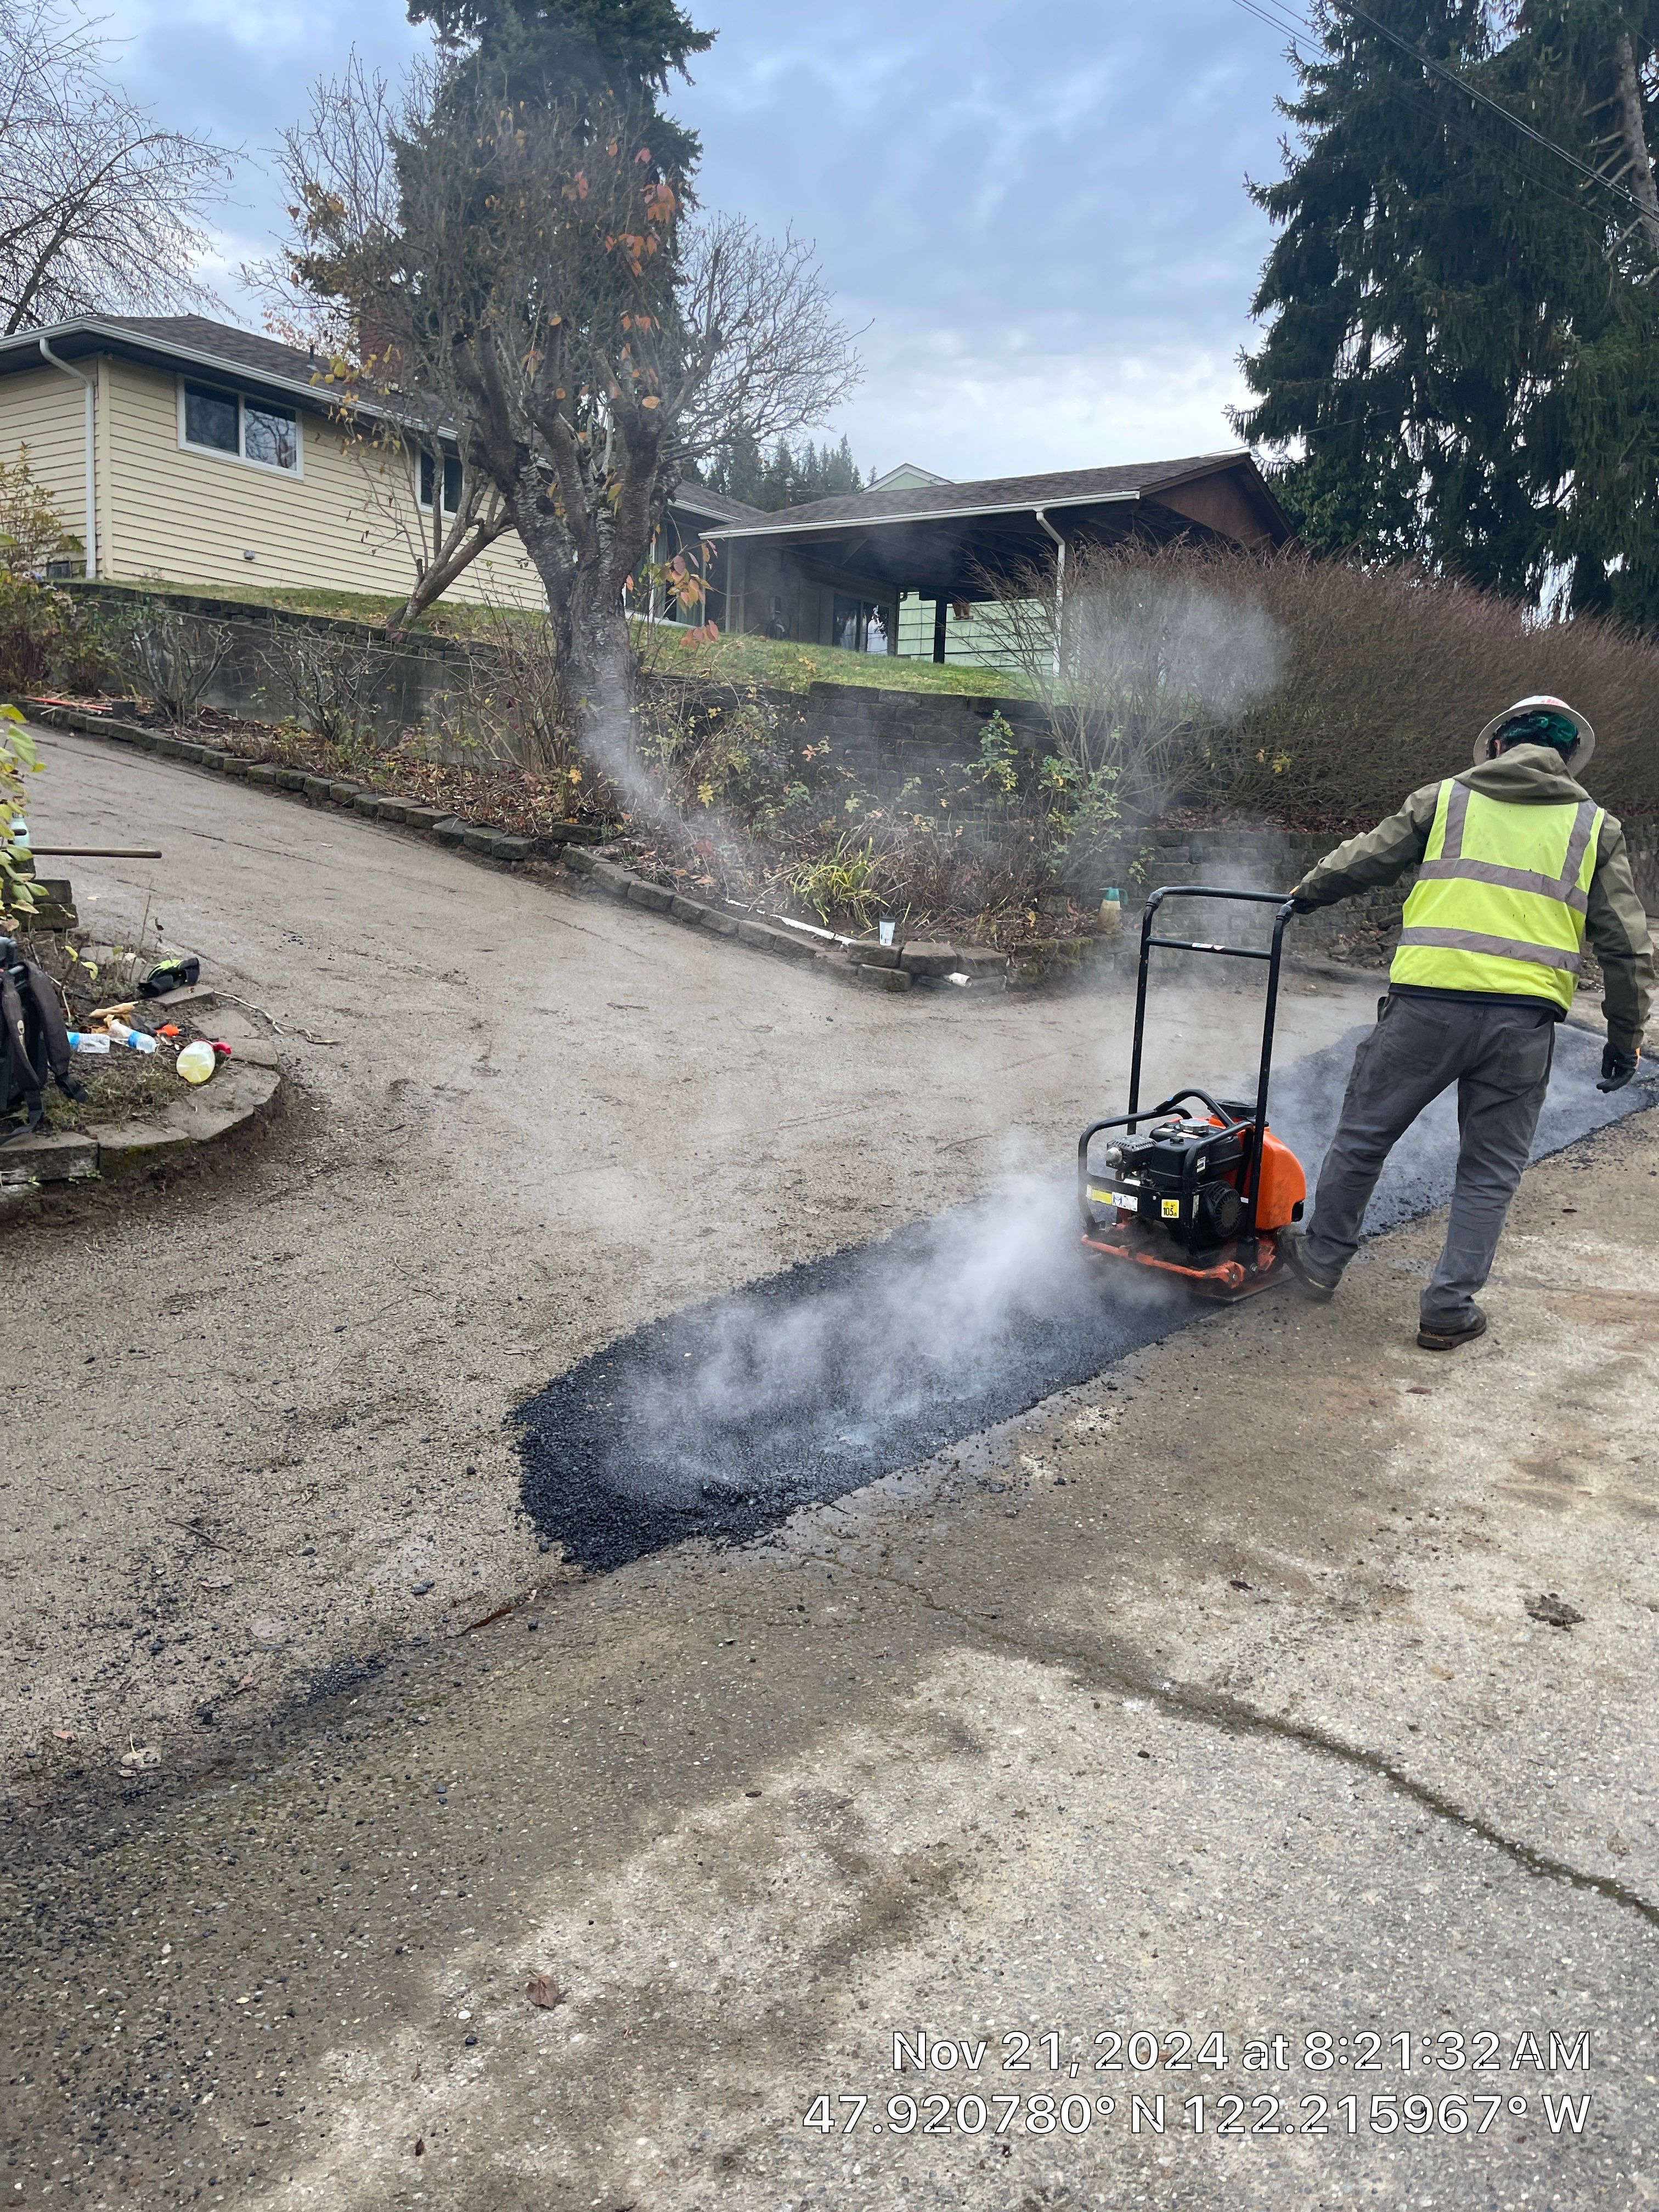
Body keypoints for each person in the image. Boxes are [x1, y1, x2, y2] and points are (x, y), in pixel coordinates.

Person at [1280, 695, 1652, 1350]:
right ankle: (1448, 1309)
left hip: (1425, 1008)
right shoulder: (1595, 827)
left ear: (1500, 745)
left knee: (1365, 1136)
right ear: (1568, 758)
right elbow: (1626, 946)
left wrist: (1306, 893)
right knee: (1488, 1170)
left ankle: (1322, 1262)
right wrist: (1625, 1038)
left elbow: (1366, 858)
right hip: (1523, 1026)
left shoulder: (1446, 799)